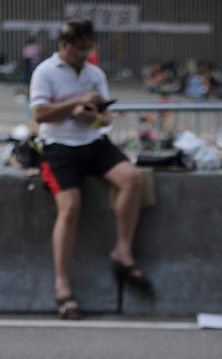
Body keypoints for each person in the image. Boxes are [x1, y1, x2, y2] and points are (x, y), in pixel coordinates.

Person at [30, 18, 149, 320]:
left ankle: (123, 250)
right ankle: (62, 283)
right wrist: (76, 102)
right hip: (58, 147)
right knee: (70, 208)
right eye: (79, 49)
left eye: (88, 49)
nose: (84, 55)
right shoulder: (45, 71)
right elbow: (40, 113)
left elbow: (106, 119)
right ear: (65, 44)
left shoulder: (95, 73)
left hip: (92, 141)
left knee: (132, 178)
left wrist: (92, 115)